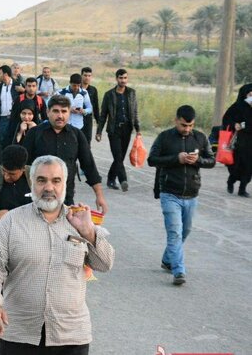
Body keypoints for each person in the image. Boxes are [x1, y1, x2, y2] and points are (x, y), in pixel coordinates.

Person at [0, 155, 115, 353]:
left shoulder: (81, 221)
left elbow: (105, 264)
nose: (49, 188)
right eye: (41, 180)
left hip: (71, 335)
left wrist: (89, 232)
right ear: (32, 183)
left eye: (56, 181)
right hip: (20, 334)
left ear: (65, 183)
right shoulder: (11, 222)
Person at [148, 105, 215, 285]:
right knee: (175, 233)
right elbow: (152, 160)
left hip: (192, 195)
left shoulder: (200, 138)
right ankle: (179, 271)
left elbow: (212, 160)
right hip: (170, 193)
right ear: (176, 120)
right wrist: (176, 159)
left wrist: (198, 160)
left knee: (185, 231)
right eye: (184, 125)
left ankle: (167, 260)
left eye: (190, 126)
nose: (187, 129)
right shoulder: (164, 137)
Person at [23, 95, 108, 213]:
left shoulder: (77, 135)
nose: (60, 116)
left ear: (69, 113)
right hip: (38, 198)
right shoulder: (35, 134)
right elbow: (22, 166)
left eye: (64, 111)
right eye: (56, 111)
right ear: (48, 112)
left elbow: (89, 165)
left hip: (65, 199)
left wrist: (99, 196)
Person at [96, 68, 141, 192]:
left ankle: (111, 179)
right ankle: (123, 180)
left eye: (125, 78)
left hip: (127, 129)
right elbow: (103, 114)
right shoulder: (109, 95)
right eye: (121, 78)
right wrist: (99, 131)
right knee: (118, 155)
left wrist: (138, 129)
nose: (123, 80)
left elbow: (135, 112)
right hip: (114, 130)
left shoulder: (132, 93)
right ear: (116, 79)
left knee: (119, 158)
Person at [222, 83, 252, 197]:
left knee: (249, 167)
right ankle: (231, 180)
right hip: (238, 142)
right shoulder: (238, 106)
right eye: (250, 94)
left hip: (250, 143)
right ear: (244, 95)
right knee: (235, 165)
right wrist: (234, 124)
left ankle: (242, 188)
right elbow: (226, 119)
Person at [0, 65, 21, 148]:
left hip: (14, 118)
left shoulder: (18, 85)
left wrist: (24, 90)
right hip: (2, 119)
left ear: (5, 74)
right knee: (2, 142)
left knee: (14, 141)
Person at [81, 67, 99, 146]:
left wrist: (99, 123)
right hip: (76, 119)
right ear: (81, 75)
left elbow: (95, 107)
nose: (87, 78)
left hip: (88, 120)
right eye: (85, 75)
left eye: (89, 76)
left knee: (87, 143)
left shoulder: (93, 90)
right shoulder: (76, 88)